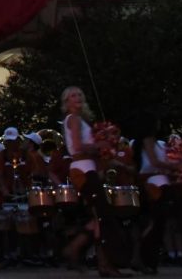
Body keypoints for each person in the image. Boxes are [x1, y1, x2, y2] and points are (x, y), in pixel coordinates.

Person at [60, 85, 121, 276]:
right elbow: (78, 146)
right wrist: (100, 145)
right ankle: (104, 262)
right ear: (66, 102)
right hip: (83, 170)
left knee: (98, 217)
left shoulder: (79, 120)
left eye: (79, 94)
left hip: (87, 169)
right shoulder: (75, 120)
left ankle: (78, 250)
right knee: (103, 216)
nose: (77, 97)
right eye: (72, 95)